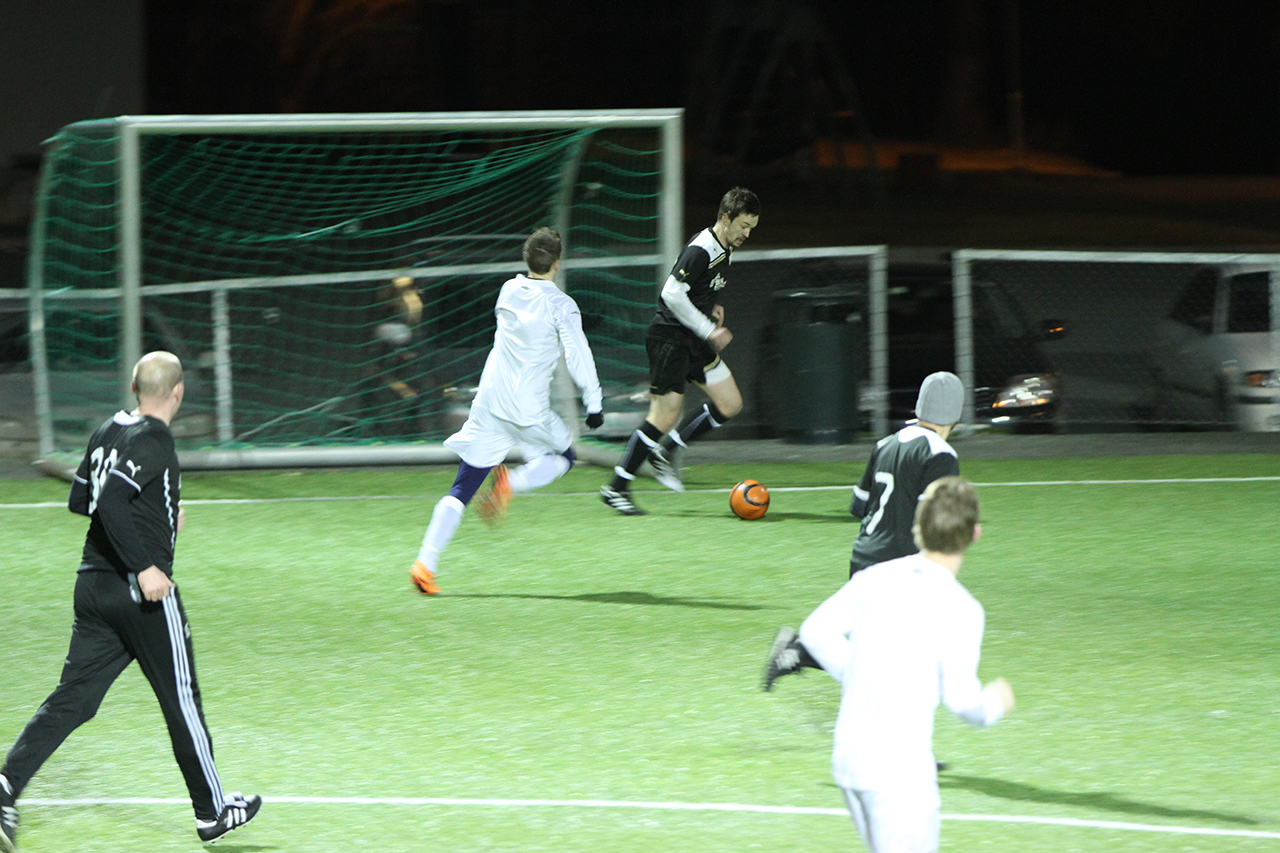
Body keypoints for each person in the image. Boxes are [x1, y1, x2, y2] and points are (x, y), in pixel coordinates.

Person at [0, 352, 261, 852]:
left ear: (134, 387)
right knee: (181, 700)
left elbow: (83, 500)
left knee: (74, 699)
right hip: (137, 594)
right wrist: (145, 565)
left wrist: (158, 514)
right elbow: (115, 500)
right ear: (178, 393)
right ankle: (211, 813)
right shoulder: (155, 438)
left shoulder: (107, 431)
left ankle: (6, 787)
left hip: (92, 587)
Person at [797, 476, 1015, 853]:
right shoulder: (962, 608)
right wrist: (996, 702)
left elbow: (814, 631)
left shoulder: (874, 578)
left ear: (918, 527)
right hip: (899, 772)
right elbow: (963, 702)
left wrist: (860, 675)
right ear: (975, 533)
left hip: (848, 761)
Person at [410, 227, 604, 594]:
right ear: (558, 264)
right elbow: (579, 355)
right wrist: (593, 403)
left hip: (489, 402)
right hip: (529, 410)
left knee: (462, 488)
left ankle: (425, 564)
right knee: (564, 457)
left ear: (526, 260)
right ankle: (509, 482)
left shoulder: (508, 291)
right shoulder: (562, 304)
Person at [764, 371, 965, 691]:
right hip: (900, 562)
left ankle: (798, 651)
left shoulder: (885, 444)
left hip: (864, 554)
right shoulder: (941, 454)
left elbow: (858, 505)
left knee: (876, 651)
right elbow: (933, 519)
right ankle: (802, 653)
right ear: (955, 414)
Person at [600, 186, 760, 515]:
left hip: (692, 339)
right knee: (664, 415)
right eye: (743, 226)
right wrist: (707, 329)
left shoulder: (725, 247)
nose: (746, 234)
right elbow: (672, 293)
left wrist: (711, 310)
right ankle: (616, 487)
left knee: (730, 403)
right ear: (725, 218)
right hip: (671, 338)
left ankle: (668, 450)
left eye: (751, 228)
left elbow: (698, 289)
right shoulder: (703, 247)